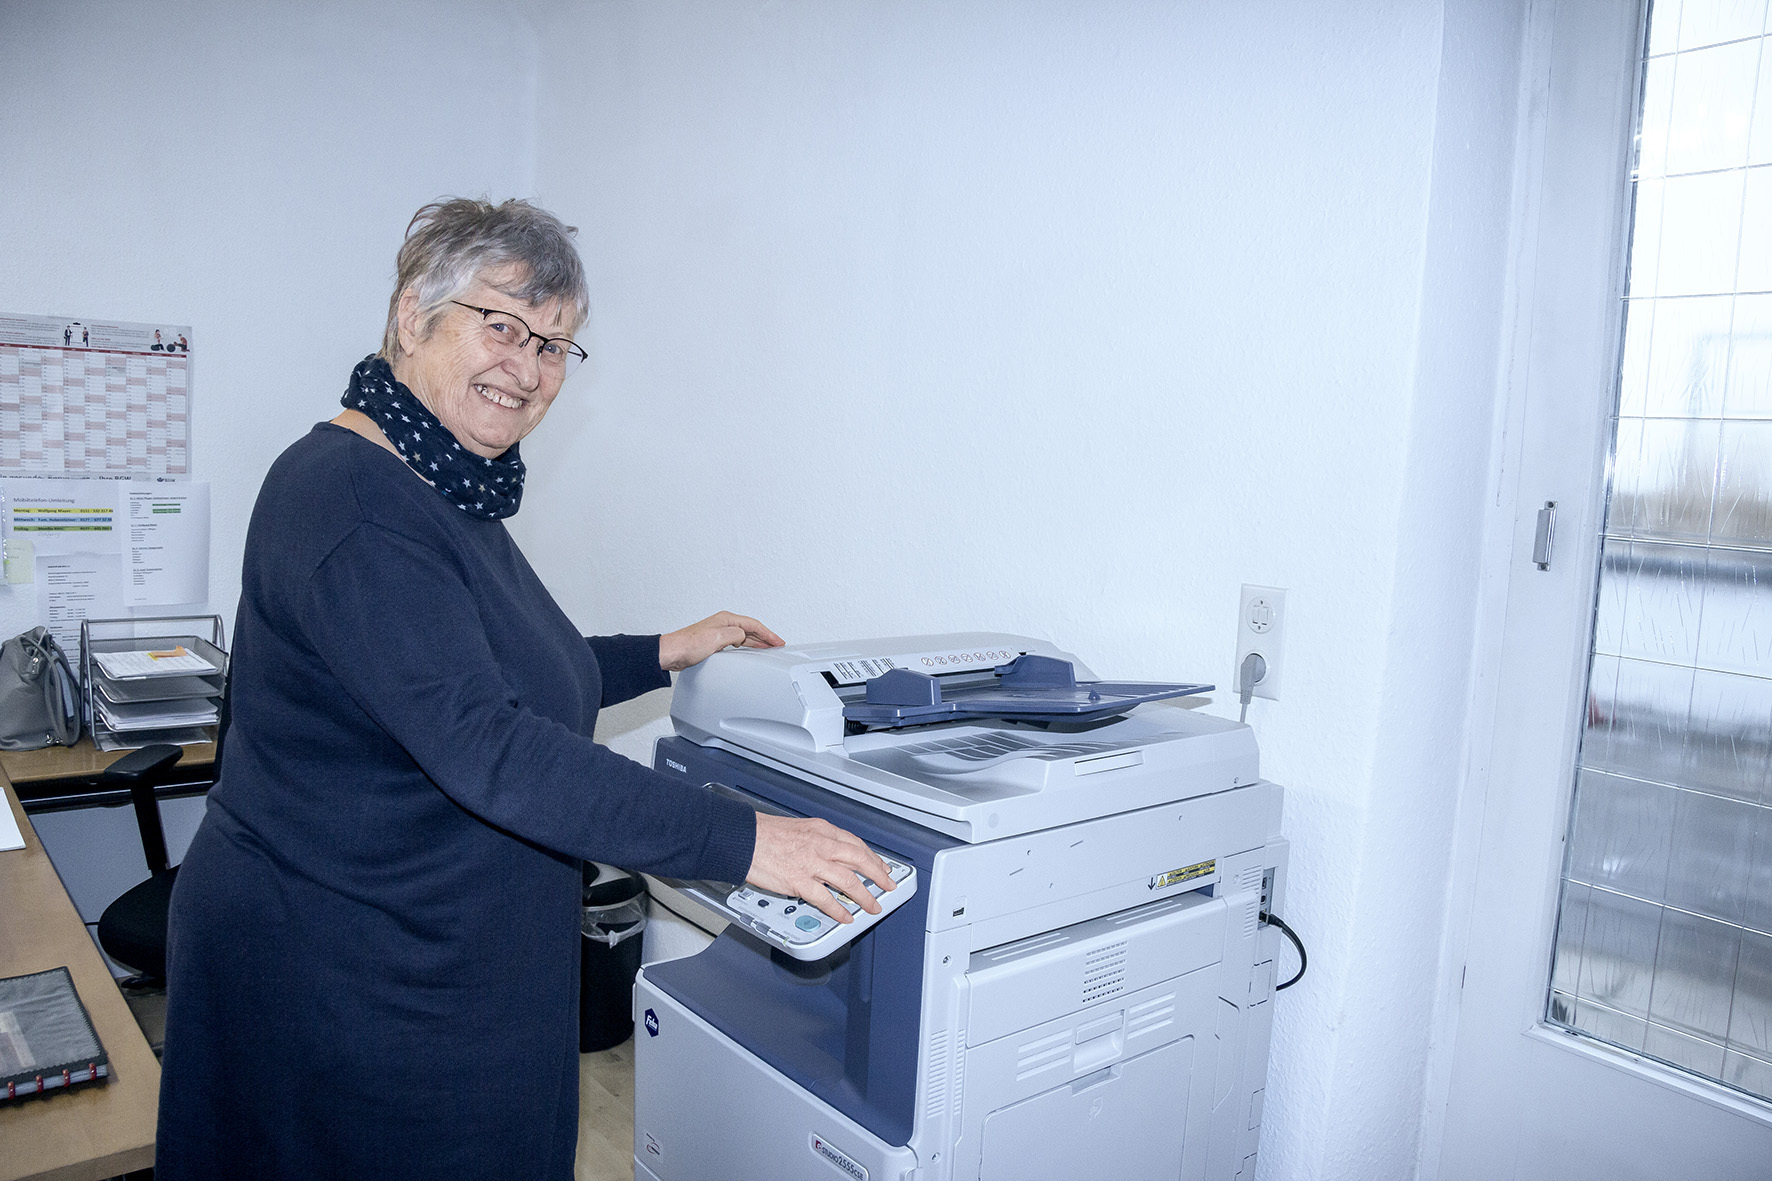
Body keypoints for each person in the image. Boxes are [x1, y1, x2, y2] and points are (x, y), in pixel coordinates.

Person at [156, 198, 894, 1179]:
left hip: (438, 953)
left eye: (554, 344)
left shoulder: (437, 488)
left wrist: (662, 648)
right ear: (411, 315)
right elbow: (489, 741)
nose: (528, 365)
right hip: (351, 971)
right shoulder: (352, 499)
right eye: (500, 325)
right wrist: (747, 841)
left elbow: (501, 668)